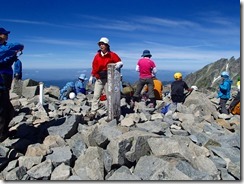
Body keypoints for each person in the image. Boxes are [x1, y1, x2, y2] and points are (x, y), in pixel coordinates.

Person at [88, 37, 123, 118]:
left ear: (107, 45)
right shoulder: (97, 56)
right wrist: (92, 76)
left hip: (108, 80)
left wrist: (118, 65)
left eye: (103, 44)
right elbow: (94, 67)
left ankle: (111, 112)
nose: (101, 46)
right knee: (96, 96)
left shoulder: (112, 55)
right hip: (99, 79)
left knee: (109, 96)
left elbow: (120, 62)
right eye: (100, 44)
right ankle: (93, 112)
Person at [0, 27, 24, 141]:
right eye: (5, 34)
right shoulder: (3, 48)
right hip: (2, 79)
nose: (7, 35)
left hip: (5, 78)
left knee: (7, 108)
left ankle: (3, 132)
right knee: (4, 108)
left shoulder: (4, 47)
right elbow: (17, 45)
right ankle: (2, 135)